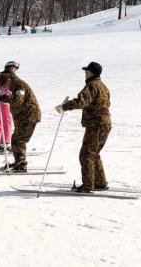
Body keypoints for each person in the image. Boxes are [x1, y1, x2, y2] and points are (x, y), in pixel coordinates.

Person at [56, 62, 111, 192]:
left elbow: (81, 101)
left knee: (86, 154)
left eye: (87, 71)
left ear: (91, 73)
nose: (85, 74)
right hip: (105, 123)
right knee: (94, 153)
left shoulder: (92, 86)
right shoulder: (103, 86)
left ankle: (88, 186)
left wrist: (64, 107)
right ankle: (100, 182)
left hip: (96, 125)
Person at [0, 69, 40, 172]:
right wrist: (2, 96)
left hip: (29, 115)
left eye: (4, 85)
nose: (5, 88)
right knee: (16, 139)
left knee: (19, 139)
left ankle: (21, 165)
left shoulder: (19, 85)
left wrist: (4, 98)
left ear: (8, 80)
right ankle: (18, 161)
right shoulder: (13, 84)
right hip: (23, 116)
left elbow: (18, 101)